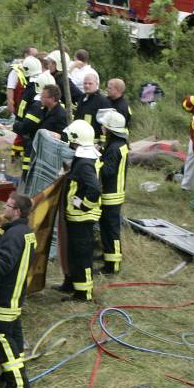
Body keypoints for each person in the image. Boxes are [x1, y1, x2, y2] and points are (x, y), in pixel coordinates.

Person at [0, 193, 36, 388]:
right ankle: (10, 375)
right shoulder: (24, 232)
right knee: (13, 336)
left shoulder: (14, 235)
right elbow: (15, 252)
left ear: (17, 211)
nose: (4, 207)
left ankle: (17, 384)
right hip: (17, 293)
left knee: (2, 337)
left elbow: (2, 265)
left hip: (6, 295)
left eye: (8, 205)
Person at [55, 120, 101, 302]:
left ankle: (83, 293)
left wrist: (83, 205)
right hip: (76, 217)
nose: (69, 143)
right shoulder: (85, 158)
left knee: (81, 255)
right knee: (72, 253)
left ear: (77, 140)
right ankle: (71, 283)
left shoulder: (84, 163)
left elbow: (95, 188)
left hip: (82, 217)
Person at [98, 109, 130, 275]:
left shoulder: (113, 148)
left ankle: (112, 266)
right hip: (115, 193)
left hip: (110, 195)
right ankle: (108, 258)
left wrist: (95, 163)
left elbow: (107, 171)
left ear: (110, 129)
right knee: (108, 229)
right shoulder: (120, 144)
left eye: (104, 126)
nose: (102, 128)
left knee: (111, 231)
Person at [14, 72, 55, 177]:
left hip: (34, 143)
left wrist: (16, 126)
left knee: (29, 174)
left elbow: (27, 125)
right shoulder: (57, 105)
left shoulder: (37, 106)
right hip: (48, 147)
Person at [8, 55, 43, 161]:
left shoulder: (31, 87)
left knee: (28, 149)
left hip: (28, 123)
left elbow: (25, 105)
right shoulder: (37, 84)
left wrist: (20, 122)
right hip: (28, 122)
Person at [74, 73, 112, 141]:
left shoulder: (103, 101)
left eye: (90, 83)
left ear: (97, 84)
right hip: (79, 139)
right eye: (85, 83)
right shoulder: (82, 98)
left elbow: (107, 125)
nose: (87, 86)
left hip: (94, 142)